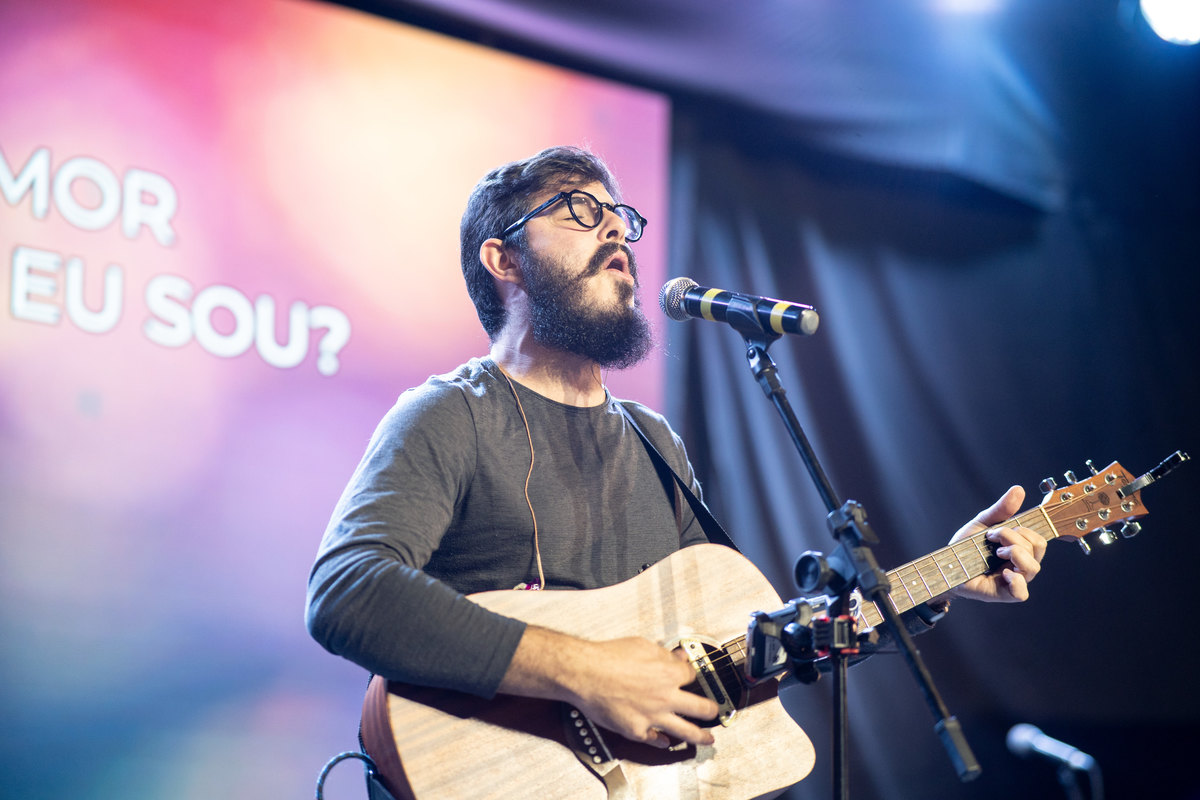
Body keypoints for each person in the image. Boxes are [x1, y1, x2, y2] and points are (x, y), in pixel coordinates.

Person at [305, 145, 1047, 753]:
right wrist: (582, 670)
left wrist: (940, 581)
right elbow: (347, 590)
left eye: (620, 217)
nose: (616, 234)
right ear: (503, 260)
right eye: (580, 211)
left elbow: (740, 653)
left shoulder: (654, 443)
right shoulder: (449, 415)